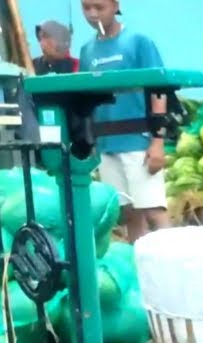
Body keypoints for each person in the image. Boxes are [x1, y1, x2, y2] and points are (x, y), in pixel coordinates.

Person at [78, 0, 170, 242]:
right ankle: (139, 270)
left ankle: (175, 263)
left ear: (115, 5)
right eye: (86, 7)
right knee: (129, 214)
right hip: (107, 145)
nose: (92, 14)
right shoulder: (87, 51)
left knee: (153, 209)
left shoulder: (138, 42)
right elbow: (86, 99)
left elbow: (158, 90)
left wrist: (157, 141)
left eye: (99, 7)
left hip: (138, 141)